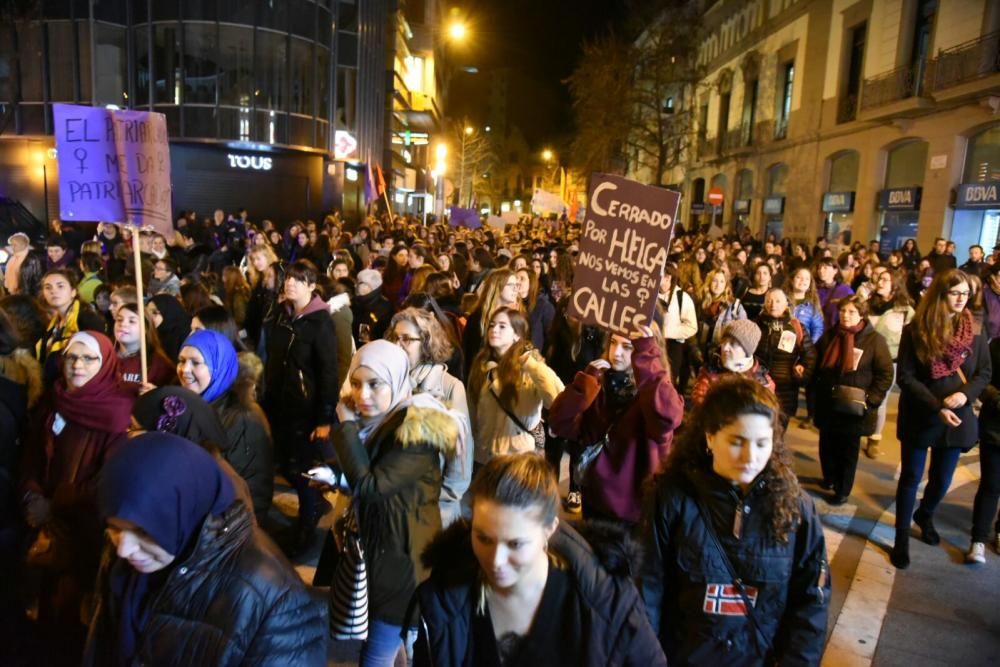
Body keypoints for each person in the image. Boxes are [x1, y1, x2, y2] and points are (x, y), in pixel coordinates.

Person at [83, 433, 326, 666]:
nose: (123, 549)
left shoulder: (278, 605)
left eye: (144, 532)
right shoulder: (124, 562)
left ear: (187, 511)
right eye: (114, 528)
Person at [640, 376, 830, 665]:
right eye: (736, 442)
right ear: (710, 436)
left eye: (762, 443)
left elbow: (810, 602)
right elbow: (648, 589)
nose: (750, 456)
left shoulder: (796, 508)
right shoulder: (671, 499)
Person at [414, 453, 666, 666]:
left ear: (549, 530)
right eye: (483, 538)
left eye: (515, 544)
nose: (496, 561)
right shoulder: (444, 600)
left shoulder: (607, 605)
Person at [329, 340, 463, 666]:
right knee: (391, 644)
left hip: (403, 561)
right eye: (356, 383)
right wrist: (338, 480)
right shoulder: (385, 422)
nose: (363, 395)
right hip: (385, 549)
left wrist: (346, 427)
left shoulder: (416, 430)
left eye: (375, 384)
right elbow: (379, 479)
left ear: (398, 379)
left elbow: (373, 486)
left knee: (375, 654)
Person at [20, 332, 131, 664]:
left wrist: (55, 504)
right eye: (71, 357)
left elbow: (109, 479)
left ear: (105, 363)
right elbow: (31, 456)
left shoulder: (118, 412)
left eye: (88, 358)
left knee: (74, 616)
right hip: (46, 524)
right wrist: (31, 493)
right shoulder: (54, 400)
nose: (78, 365)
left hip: (86, 532)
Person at [892, 270, 991, 569]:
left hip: (957, 414)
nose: (962, 299)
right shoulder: (916, 330)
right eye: (955, 293)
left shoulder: (974, 330)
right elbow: (906, 377)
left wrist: (965, 396)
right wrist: (937, 406)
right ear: (940, 294)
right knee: (910, 477)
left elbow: (984, 372)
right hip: (923, 412)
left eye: (965, 293)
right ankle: (901, 538)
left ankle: (926, 514)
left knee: (942, 479)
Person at [549, 325, 683, 527]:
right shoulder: (601, 384)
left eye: (628, 346)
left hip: (633, 515)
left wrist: (646, 353)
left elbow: (666, 418)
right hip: (595, 503)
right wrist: (584, 384)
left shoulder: (655, 394)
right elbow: (560, 423)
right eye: (613, 343)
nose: (616, 353)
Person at [263, 260, 339, 554]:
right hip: (280, 405)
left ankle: (307, 528)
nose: (290, 283)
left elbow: (328, 373)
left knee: (303, 467)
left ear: (311, 286)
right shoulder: (282, 317)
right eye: (288, 279)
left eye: (298, 279)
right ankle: (314, 504)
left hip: (306, 411)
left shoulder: (321, 322)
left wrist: (324, 417)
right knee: (284, 463)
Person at [386, 307, 473, 525]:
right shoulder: (388, 382)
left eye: (406, 339)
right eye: (395, 338)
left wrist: (442, 500)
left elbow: (460, 458)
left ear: (426, 343)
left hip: (432, 507)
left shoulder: (450, 388)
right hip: (392, 503)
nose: (398, 345)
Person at [178, 329, 274, 516]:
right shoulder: (185, 403)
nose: (184, 370)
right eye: (181, 361)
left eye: (196, 363)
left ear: (218, 366)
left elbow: (253, 490)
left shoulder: (244, 418)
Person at [813, 296, 894, 504]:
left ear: (861, 315)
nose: (845, 316)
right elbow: (816, 363)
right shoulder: (830, 336)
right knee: (827, 445)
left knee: (848, 451)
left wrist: (872, 399)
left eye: (851, 312)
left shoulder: (874, 340)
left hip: (855, 407)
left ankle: (843, 489)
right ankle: (829, 478)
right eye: (842, 311)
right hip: (829, 403)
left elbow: (885, 374)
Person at [468, 307, 564, 465]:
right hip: (484, 456)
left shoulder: (530, 367)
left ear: (516, 335)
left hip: (519, 458)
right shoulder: (481, 365)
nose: (494, 330)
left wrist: (531, 364)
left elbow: (555, 399)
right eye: (492, 325)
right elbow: (472, 408)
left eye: (502, 326)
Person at [864, 269, 915, 458]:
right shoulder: (867, 304)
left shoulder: (904, 310)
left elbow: (914, 336)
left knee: (880, 400)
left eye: (885, 280)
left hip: (889, 362)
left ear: (895, 285)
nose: (880, 282)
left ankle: (874, 438)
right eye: (879, 278)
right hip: (863, 359)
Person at [756, 288, 816, 424]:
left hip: (785, 389)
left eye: (778, 301)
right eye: (769, 300)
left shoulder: (796, 327)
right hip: (759, 386)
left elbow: (810, 355)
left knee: (779, 431)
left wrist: (800, 376)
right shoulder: (756, 325)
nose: (773, 304)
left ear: (785, 304)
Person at [36, 268, 107, 379]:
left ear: (73, 292)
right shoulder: (53, 322)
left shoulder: (86, 319)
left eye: (60, 286)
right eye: (48, 287)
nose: (53, 291)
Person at [691, 319, 775, 405]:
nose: (725, 348)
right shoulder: (710, 372)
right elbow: (700, 403)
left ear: (747, 350)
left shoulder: (763, 383)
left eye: (733, 344)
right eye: (724, 341)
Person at [462, 268, 522, 379]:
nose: (515, 290)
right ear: (497, 286)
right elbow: (470, 355)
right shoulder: (478, 317)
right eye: (511, 285)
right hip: (481, 376)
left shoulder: (514, 315)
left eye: (517, 285)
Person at [113, 302, 175, 396]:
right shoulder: (102, 356)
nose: (123, 324)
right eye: (119, 319)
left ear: (145, 328)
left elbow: (172, 400)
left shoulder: (159, 365)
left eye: (132, 321)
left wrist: (156, 395)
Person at [352, 268, 394, 344]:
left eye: (361, 283)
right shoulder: (355, 302)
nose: (357, 286)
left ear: (371, 287)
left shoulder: (384, 307)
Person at [146, 294, 191, 362]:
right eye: (147, 313)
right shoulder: (151, 334)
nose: (149, 317)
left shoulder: (184, 335)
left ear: (169, 313)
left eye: (155, 313)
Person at [788, 267, 825, 344]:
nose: (803, 280)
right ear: (792, 280)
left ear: (810, 284)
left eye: (807, 279)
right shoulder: (781, 300)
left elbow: (818, 329)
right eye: (799, 277)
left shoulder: (812, 307)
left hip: (801, 350)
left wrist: (808, 346)